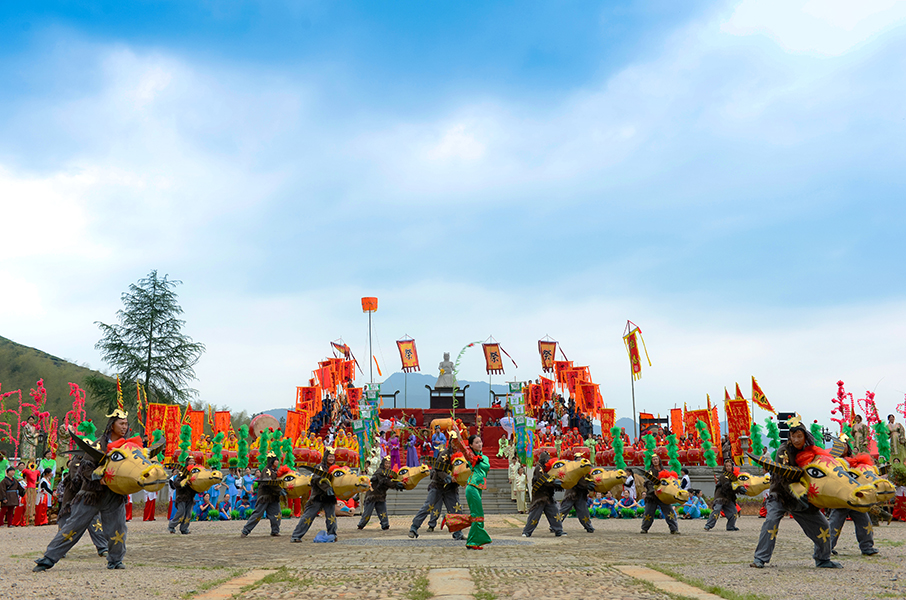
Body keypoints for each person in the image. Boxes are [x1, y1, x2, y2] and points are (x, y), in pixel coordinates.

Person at [34, 410, 132, 571]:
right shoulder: (98, 445)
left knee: (118, 529)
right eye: (121, 423)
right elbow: (84, 469)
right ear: (112, 425)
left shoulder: (128, 447)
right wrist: (99, 478)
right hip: (91, 495)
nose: (124, 427)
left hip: (115, 495)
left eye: (126, 424)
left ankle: (115, 560)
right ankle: (49, 558)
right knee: (73, 526)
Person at [751, 415, 841, 569]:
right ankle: (760, 558)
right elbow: (784, 477)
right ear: (789, 437)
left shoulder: (811, 451)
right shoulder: (783, 451)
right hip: (780, 494)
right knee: (770, 522)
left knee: (823, 526)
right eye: (793, 436)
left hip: (801, 498)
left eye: (799, 436)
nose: (796, 439)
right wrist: (799, 493)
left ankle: (822, 559)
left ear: (805, 436)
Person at [409, 444, 465, 540]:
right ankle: (414, 527)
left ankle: (458, 532)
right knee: (427, 506)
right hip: (438, 486)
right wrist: (448, 478)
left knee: (456, 509)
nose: (456, 445)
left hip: (451, 488)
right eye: (454, 442)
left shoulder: (462, 455)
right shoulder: (444, 454)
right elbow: (438, 469)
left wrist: (463, 480)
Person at [292, 448, 339, 542]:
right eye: (330, 456)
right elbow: (317, 479)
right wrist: (327, 488)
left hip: (329, 497)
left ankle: (332, 535)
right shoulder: (319, 467)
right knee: (308, 517)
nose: (331, 458)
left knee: (331, 517)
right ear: (326, 457)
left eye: (333, 456)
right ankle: (296, 536)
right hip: (318, 496)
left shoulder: (335, 469)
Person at [522, 451, 564, 537]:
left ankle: (558, 530)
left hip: (548, 496)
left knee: (554, 513)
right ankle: (527, 531)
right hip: (540, 497)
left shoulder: (549, 470)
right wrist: (554, 482)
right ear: (543, 460)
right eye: (546, 460)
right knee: (534, 515)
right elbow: (543, 480)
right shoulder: (538, 468)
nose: (548, 461)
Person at [240, 453, 283, 537]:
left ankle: (275, 531)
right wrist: (279, 490)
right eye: (276, 460)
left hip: (273, 496)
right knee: (258, 514)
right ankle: (245, 531)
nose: (277, 462)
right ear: (272, 461)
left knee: (277, 514)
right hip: (265, 496)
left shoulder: (276, 471)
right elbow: (268, 483)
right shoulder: (266, 470)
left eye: (278, 460)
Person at [357, 457, 404, 531]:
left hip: (381, 495)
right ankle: (361, 525)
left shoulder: (389, 472)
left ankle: (385, 525)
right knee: (367, 513)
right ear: (383, 463)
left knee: (383, 512)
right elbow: (385, 482)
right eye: (386, 463)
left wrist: (398, 483)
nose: (387, 465)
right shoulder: (379, 472)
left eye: (388, 463)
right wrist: (395, 484)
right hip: (372, 495)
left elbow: (390, 481)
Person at [462, 434, 491, 550]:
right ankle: (473, 541)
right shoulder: (470, 456)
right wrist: (457, 436)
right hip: (472, 487)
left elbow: (486, 467)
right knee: (478, 515)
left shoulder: (485, 457)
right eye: (476, 442)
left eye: (480, 442)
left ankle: (472, 542)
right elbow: (463, 449)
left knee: (477, 515)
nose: (480, 444)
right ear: (471, 445)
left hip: (479, 488)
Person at [640, 454, 679, 534]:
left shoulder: (664, 471)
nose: (655, 461)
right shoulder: (650, 472)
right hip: (652, 496)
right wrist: (654, 490)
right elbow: (648, 483)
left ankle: (674, 529)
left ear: (659, 460)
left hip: (663, 495)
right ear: (652, 461)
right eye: (653, 460)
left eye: (656, 459)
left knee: (670, 512)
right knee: (648, 513)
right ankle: (644, 528)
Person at [704, 459, 740, 531]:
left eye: (730, 466)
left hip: (728, 498)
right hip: (720, 496)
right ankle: (708, 525)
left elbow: (735, 486)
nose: (728, 467)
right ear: (725, 467)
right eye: (727, 466)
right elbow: (727, 486)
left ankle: (730, 526)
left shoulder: (734, 477)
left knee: (734, 512)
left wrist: (740, 489)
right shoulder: (723, 476)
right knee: (717, 510)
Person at [168, 456, 198, 535]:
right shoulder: (182, 472)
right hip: (182, 496)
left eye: (193, 461)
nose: (192, 463)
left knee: (188, 514)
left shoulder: (196, 473)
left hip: (190, 496)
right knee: (181, 512)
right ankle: (171, 526)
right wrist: (185, 482)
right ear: (187, 462)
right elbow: (176, 483)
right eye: (190, 461)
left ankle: (184, 529)